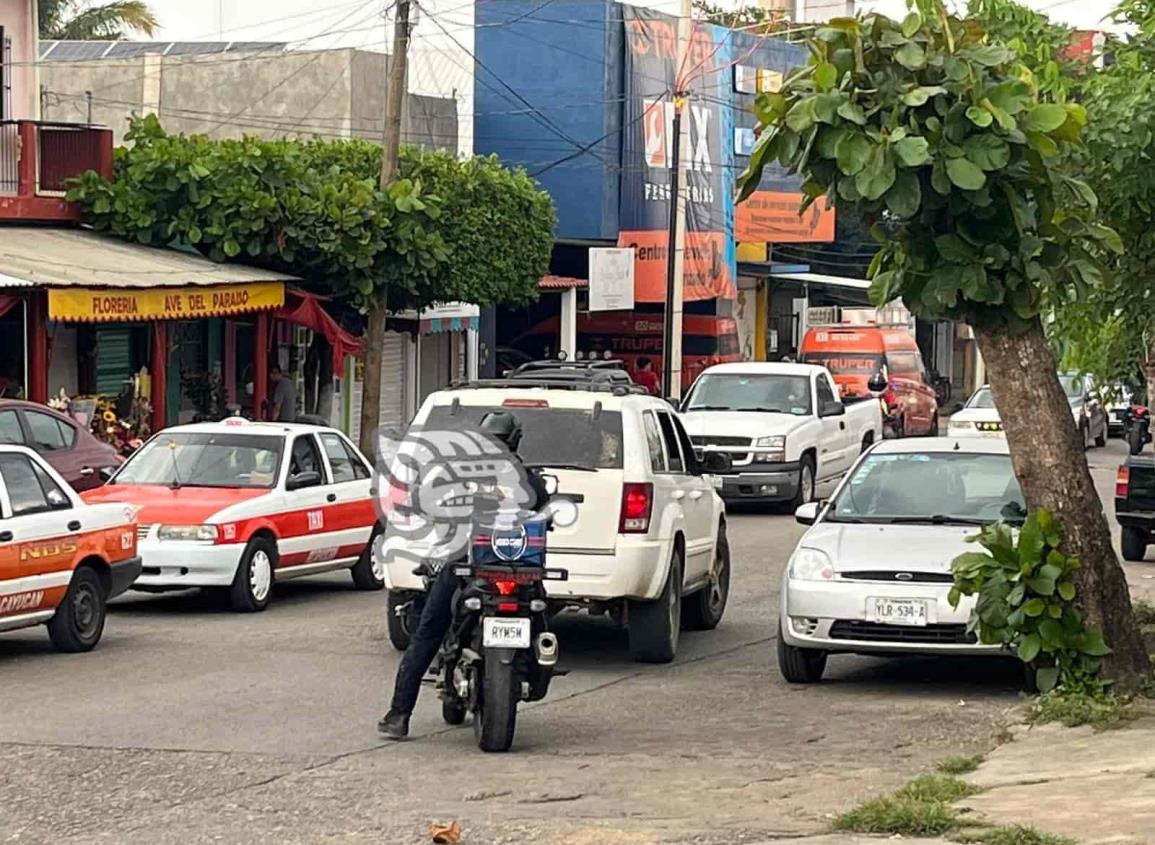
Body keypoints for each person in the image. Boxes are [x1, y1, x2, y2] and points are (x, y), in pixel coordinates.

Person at [377, 412, 549, 740]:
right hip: (521, 569)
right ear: (515, 441)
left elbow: (425, 500)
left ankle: (399, 714)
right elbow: (546, 508)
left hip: (468, 565)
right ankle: (541, 658)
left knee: (427, 634)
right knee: (541, 618)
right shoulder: (526, 478)